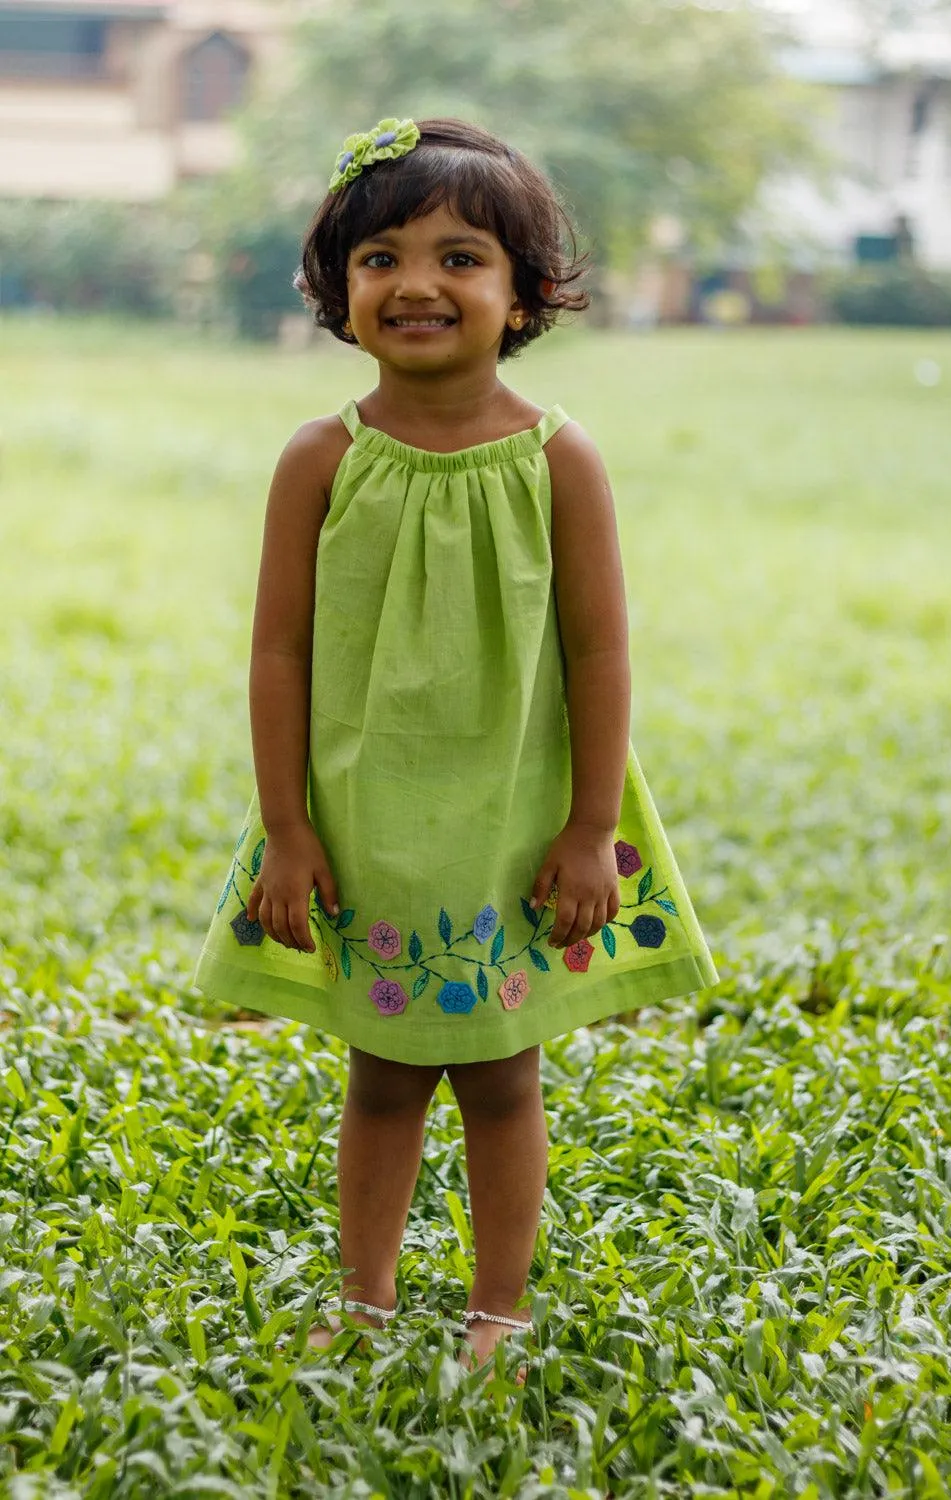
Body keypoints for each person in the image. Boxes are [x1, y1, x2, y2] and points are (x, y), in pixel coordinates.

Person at [193, 116, 718, 1385]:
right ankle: (364, 1299)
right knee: (380, 1073)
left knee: (499, 1074)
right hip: (369, 817)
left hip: (516, 819)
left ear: (526, 293)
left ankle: (502, 1311)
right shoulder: (320, 460)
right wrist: (288, 825)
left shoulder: (559, 461)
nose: (417, 283)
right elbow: (277, 654)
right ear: (337, 289)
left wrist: (593, 827)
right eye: (379, 256)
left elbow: (599, 657)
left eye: (460, 256)